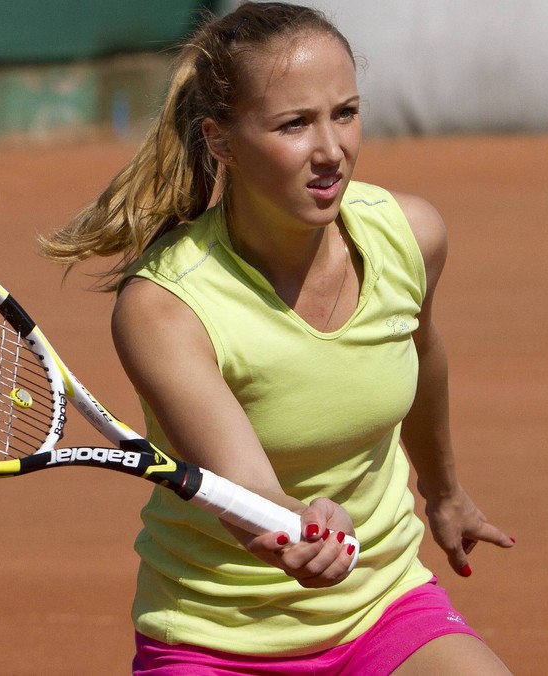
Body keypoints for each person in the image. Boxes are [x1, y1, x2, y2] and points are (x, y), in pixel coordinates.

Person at [40, 2, 514, 673]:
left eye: (345, 113)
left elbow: (423, 356)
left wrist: (444, 492)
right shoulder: (166, 306)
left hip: (382, 608)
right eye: (294, 124)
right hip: (217, 640)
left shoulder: (410, 235)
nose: (331, 151)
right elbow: (245, 487)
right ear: (221, 140)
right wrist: (297, 525)